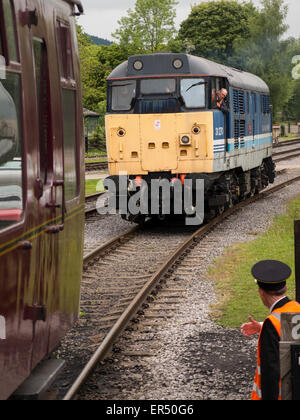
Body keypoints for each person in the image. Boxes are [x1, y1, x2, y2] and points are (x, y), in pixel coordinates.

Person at [241, 260, 300, 400]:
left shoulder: (271, 324)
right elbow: (292, 333)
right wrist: (261, 325)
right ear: (285, 288)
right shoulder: (297, 308)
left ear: (261, 292)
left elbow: (270, 374)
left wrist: (265, 326)